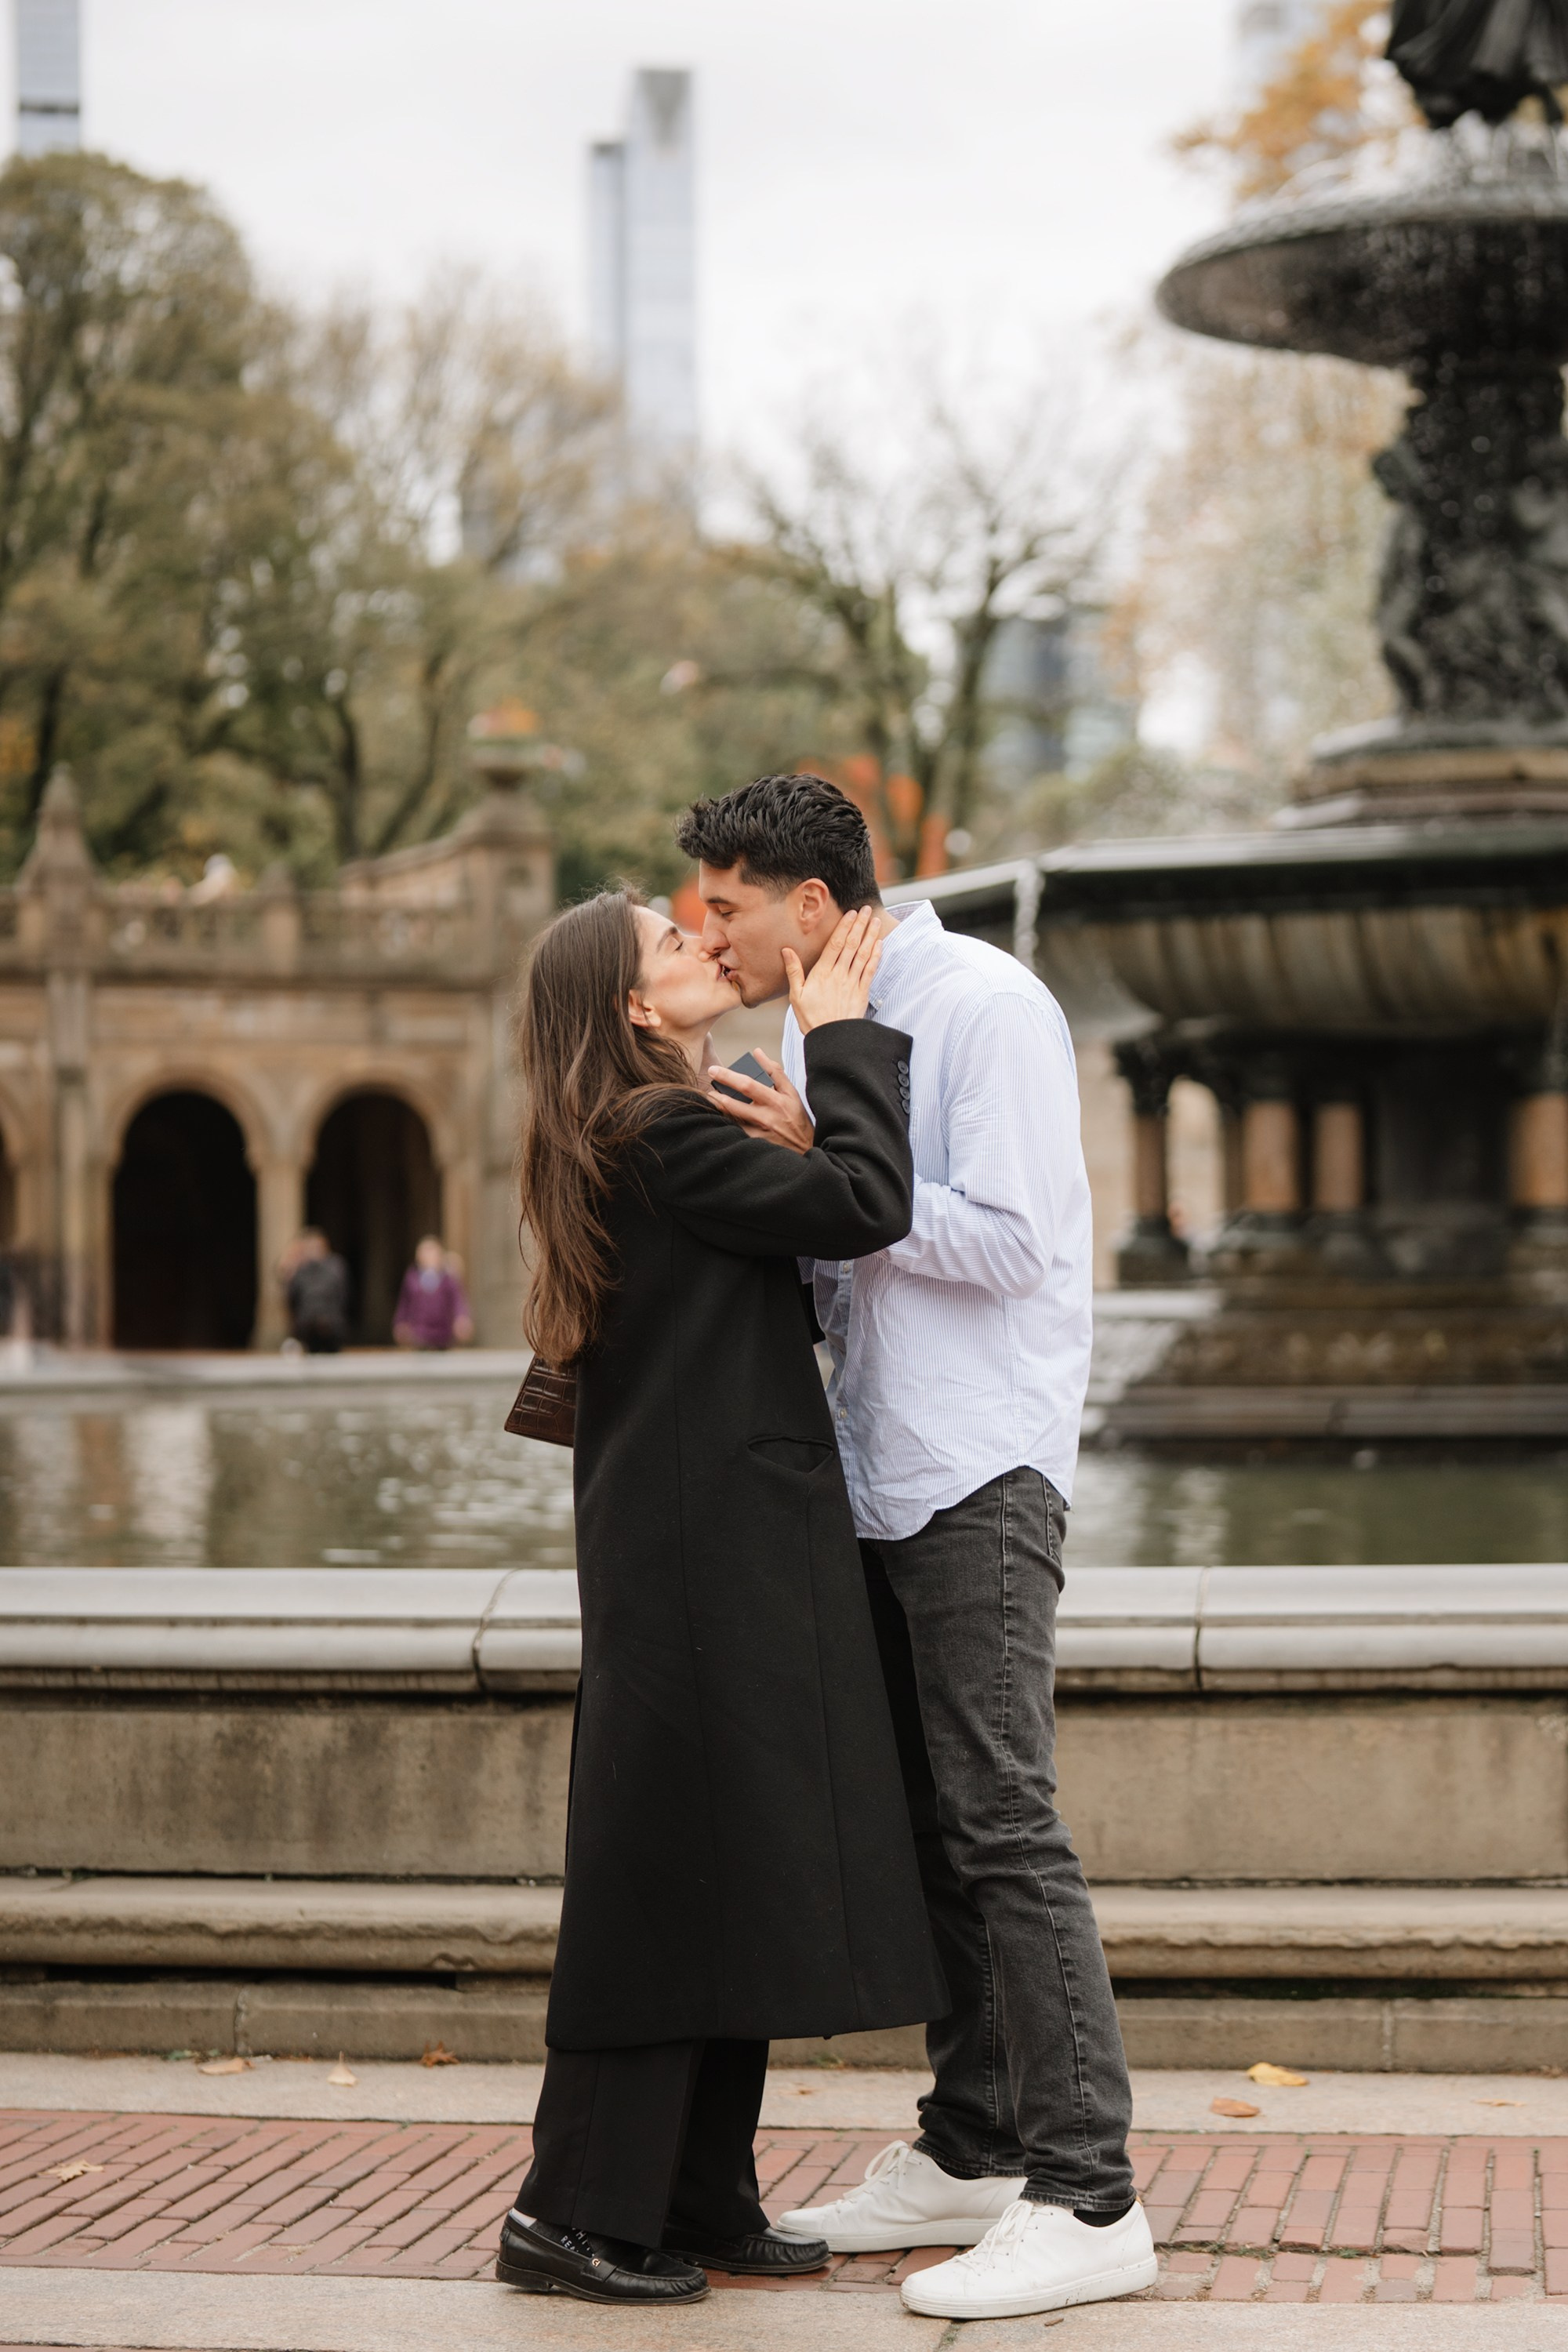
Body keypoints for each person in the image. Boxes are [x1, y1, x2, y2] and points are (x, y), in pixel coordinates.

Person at [676, 772, 1156, 2323]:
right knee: (936, 1835)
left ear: (810, 905)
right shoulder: (822, 1027)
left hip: (981, 1467)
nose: (707, 929)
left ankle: (1088, 2197)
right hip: (879, 1472)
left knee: (1004, 1823)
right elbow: (853, 1264)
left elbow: (1011, 1239)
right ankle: (970, 2145)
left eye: (726, 904)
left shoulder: (989, 1001)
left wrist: (834, 1165)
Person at [495, 886, 946, 2309]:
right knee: (658, 1882)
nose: (703, 943)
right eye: (671, 945)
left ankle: (693, 2195)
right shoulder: (664, 1131)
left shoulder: (650, 1128)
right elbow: (867, 1206)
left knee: (724, 1866)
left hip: (701, 1545)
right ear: (636, 1007)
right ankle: (570, 2214)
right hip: (702, 1556)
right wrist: (846, 1038)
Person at [392, 1236, 474, 1350]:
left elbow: (458, 1301)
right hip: (419, 1336)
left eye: (432, 1253)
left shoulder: (449, 1278)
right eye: (425, 1253)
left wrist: (462, 1318)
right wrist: (400, 1323)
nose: (429, 1257)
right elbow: (404, 1304)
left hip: (443, 1335)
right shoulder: (411, 1279)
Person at [284, 1229, 349, 1355]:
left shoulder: (336, 1266)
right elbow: (292, 1297)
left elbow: (343, 1295)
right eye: (310, 1247)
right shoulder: (300, 1269)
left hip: (332, 1323)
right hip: (308, 1325)